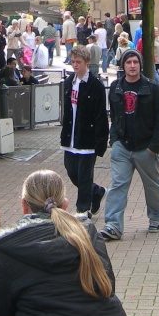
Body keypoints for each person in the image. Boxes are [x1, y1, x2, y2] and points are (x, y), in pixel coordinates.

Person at [0, 170, 133, 316]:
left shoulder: (7, 247)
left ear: (24, 205)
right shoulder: (88, 233)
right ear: (65, 204)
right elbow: (108, 287)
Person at [99, 49, 159, 241]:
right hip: (122, 146)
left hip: (146, 147)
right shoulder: (116, 87)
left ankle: (156, 217)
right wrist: (114, 140)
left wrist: (154, 147)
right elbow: (113, 114)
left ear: (140, 65)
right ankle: (113, 225)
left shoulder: (151, 88)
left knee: (152, 186)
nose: (132, 66)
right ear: (123, 66)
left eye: (135, 62)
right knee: (118, 185)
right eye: (128, 62)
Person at [61, 47, 109, 216]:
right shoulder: (69, 82)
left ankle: (83, 209)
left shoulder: (96, 86)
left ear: (87, 63)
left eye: (78, 62)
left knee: (84, 175)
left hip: (88, 138)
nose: (75, 65)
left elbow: (101, 115)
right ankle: (96, 192)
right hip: (71, 137)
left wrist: (101, 142)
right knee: (71, 170)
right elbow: (67, 111)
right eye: (73, 62)